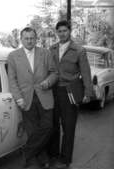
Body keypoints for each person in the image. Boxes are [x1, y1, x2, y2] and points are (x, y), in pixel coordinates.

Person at [7, 27, 58, 169]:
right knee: (33, 130)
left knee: (49, 127)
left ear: (36, 39)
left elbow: (54, 73)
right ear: (21, 39)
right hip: (25, 98)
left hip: (44, 95)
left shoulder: (46, 53)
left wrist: (49, 81)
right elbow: (12, 81)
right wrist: (18, 98)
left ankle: (26, 151)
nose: (29, 41)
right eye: (26, 38)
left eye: (32, 38)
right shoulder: (13, 56)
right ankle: (43, 160)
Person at [47, 20, 93, 169]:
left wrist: (87, 93)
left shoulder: (79, 50)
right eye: (59, 31)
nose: (62, 34)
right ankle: (53, 155)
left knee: (69, 127)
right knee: (53, 125)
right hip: (53, 91)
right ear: (57, 32)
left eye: (64, 31)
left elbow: (86, 73)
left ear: (70, 31)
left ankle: (65, 160)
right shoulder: (52, 48)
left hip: (69, 92)